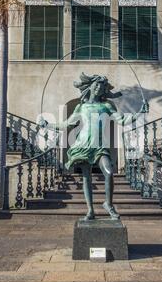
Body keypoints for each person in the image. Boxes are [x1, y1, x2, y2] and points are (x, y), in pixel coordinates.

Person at [40, 73, 148, 221]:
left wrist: (139, 113)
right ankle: (90, 210)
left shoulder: (106, 105)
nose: (99, 88)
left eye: (102, 86)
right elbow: (66, 125)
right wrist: (48, 124)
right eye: (96, 85)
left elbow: (122, 120)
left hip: (100, 146)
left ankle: (108, 204)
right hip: (83, 145)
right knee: (86, 178)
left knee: (109, 172)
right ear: (90, 86)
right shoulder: (81, 107)